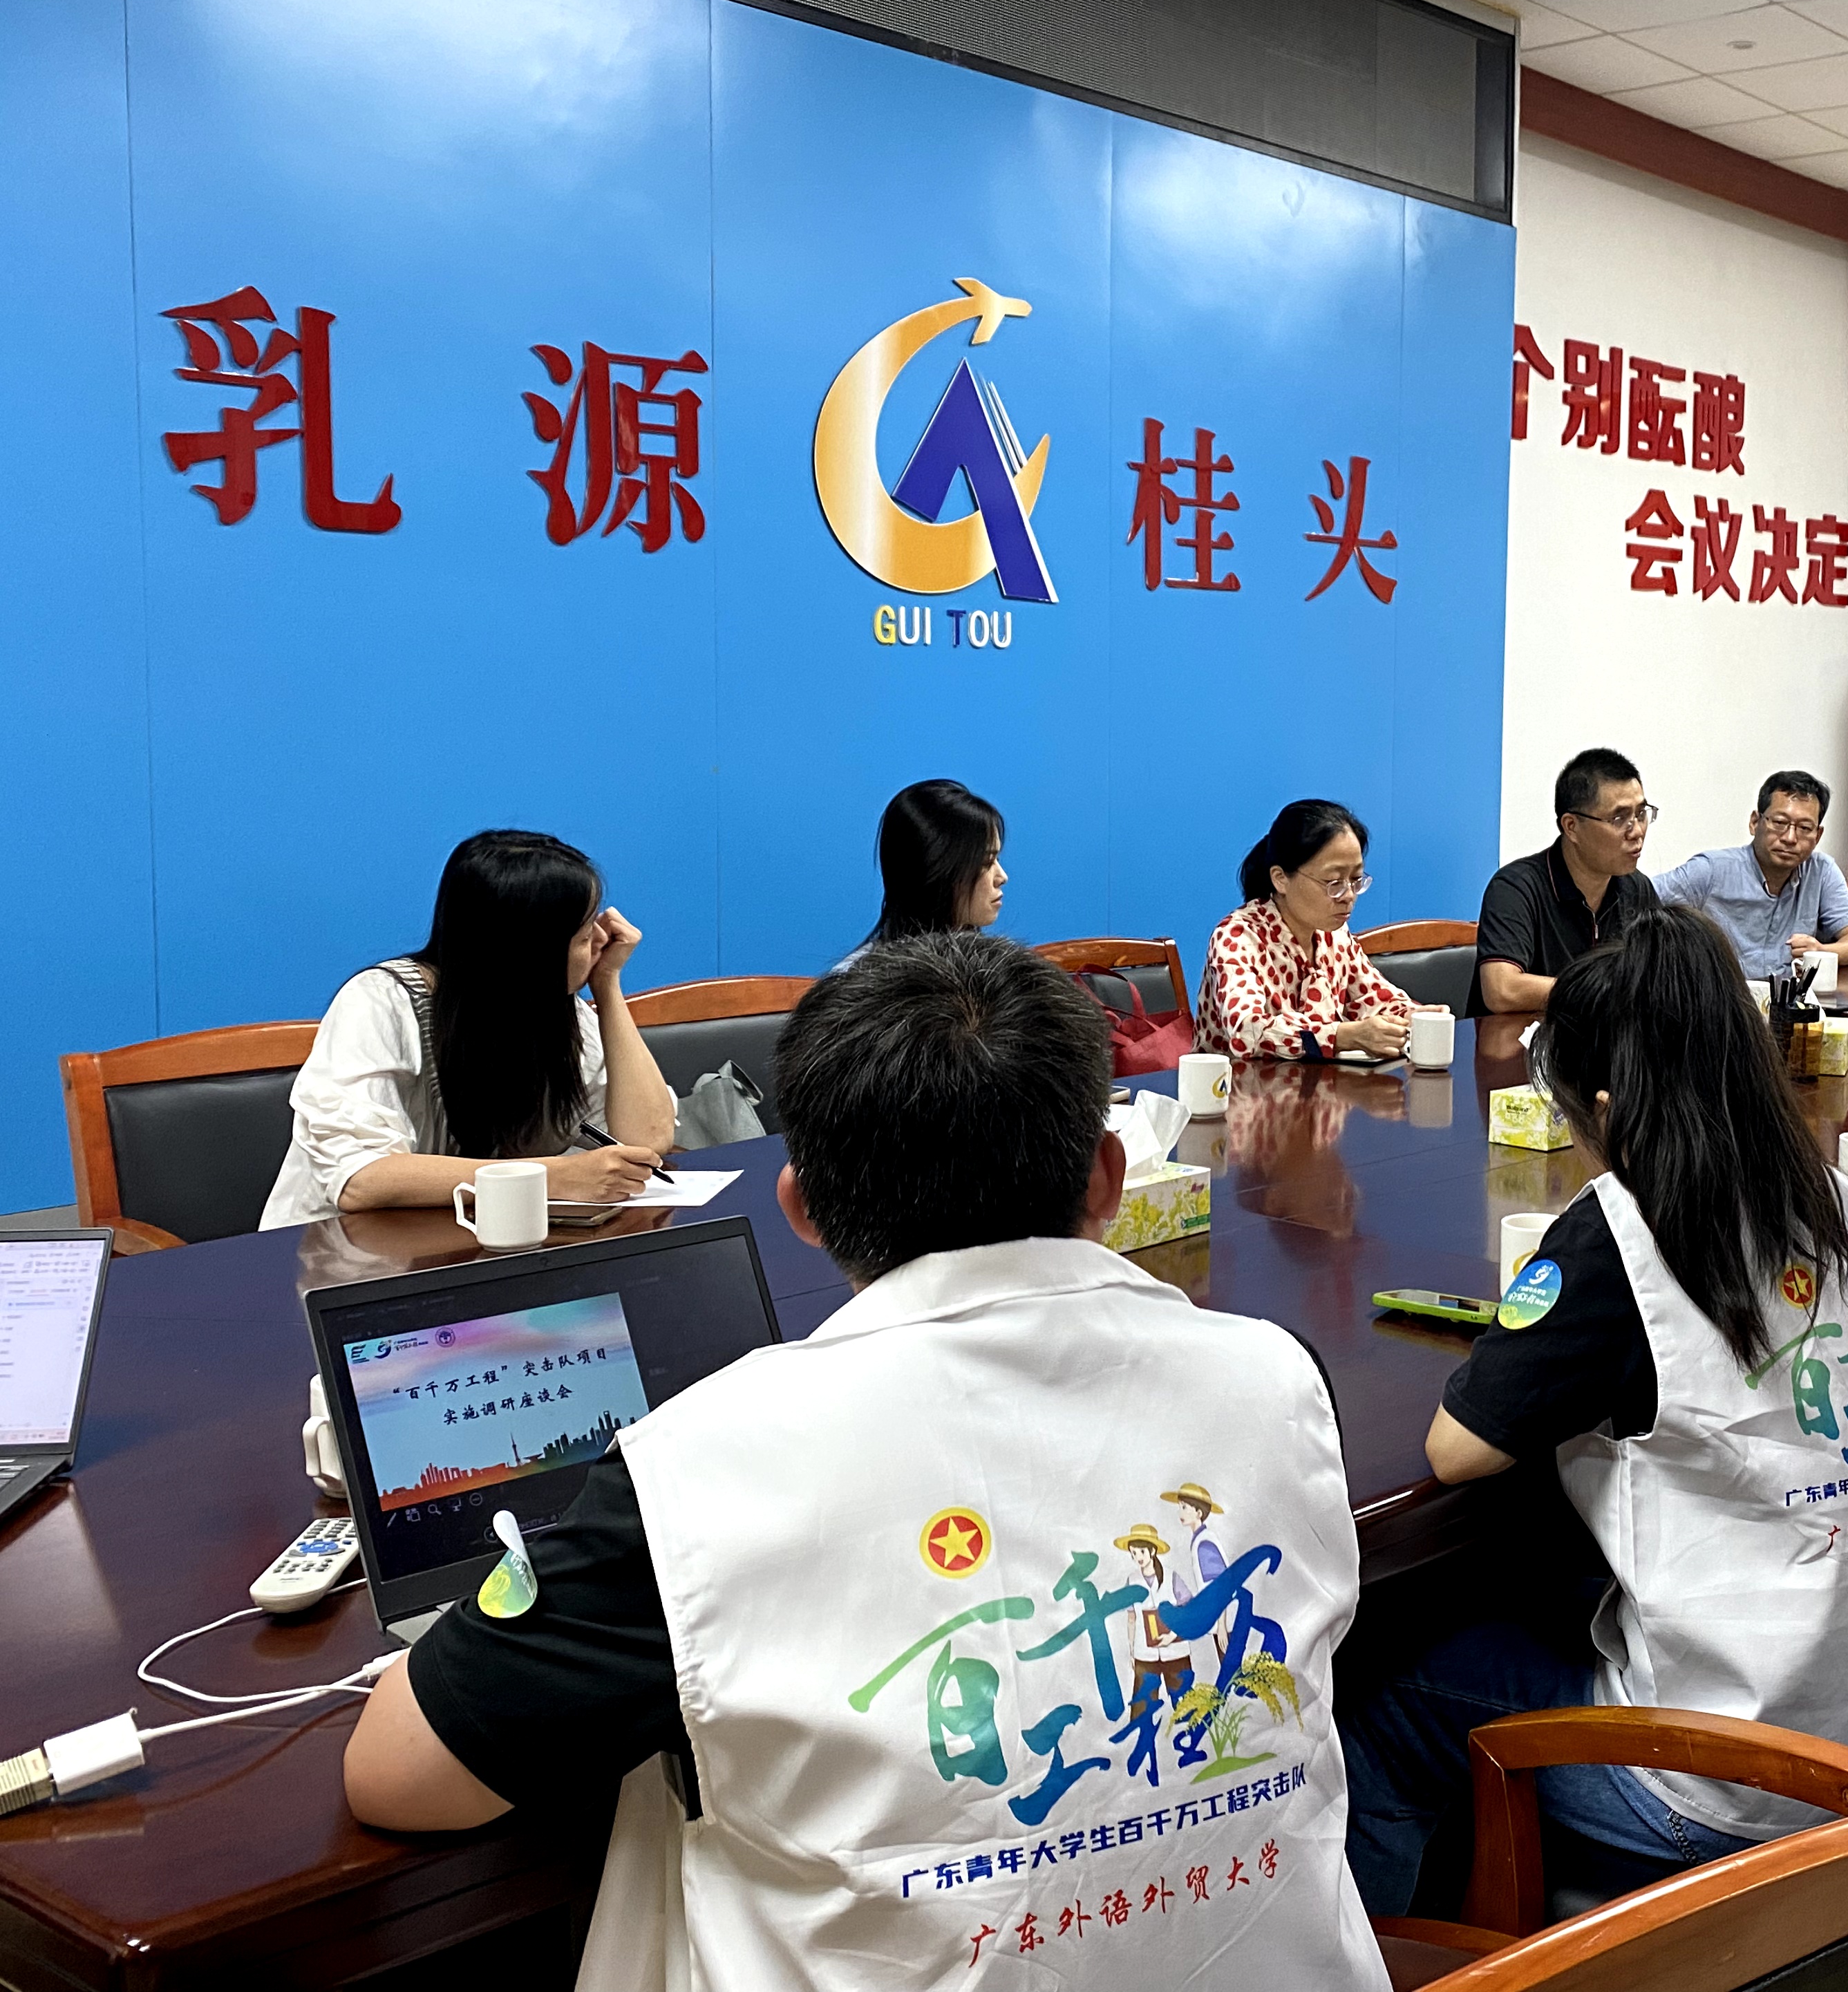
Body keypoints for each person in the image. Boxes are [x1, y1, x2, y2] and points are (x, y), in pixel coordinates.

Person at [341, 934, 1386, 1992]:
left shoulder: (706, 1467)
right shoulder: (1276, 1380)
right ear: (1110, 1178)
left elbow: (400, 1774)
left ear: (802, 1207)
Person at [1344, 908, 1848, 1911]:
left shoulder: (1626, 1231)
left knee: (1381, 1696)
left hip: (1729, 1777)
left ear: (1605, 1105)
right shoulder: (1833, 1198)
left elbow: (1458, 1451)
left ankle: (1422, 1959)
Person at [262, 830, 675, 1228]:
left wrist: (608, 986)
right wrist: (554, 1176)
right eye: (585, 937)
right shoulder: (380, 1001)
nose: (602, 942)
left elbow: (646, 1142)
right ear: (526, 948)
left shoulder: (555, 1010)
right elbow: (361, 1180)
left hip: (466, 1246)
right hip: (338, 1253)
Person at [1198, 799, 1413, 1060]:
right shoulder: (1237, 937)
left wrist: (1415, 1016)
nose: (1349, 896)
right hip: (1238, 1084)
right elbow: (1248, 1030)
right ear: (1280, 879)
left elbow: (1376, 999)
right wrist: (1342, 1036)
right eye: (1334, 882)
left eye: (1356, 879)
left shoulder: (1335, 934)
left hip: (1321, 1083)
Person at [1473, 747, 1662, 1014]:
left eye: (1641, 814)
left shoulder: (1637, 888)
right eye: (1620, 818)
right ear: (1571, 826)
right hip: (1522, 1038)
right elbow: (1502, 990)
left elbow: (1661, 975)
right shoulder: (1516, 888)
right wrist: (1607, 992)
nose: (1637, 831)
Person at [1653, 769, 1848, 979]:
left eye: (1805, 828)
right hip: (1723, 999)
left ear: (1817, 836)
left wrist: (1821, 952)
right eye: (1779, 823)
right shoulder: (1710, 870)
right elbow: (1640, 897)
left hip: (1789, 1001)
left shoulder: (1821, 871)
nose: (1790, 838)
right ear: (1755, 823)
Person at [851, 778, 1006, 959]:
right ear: (937, 870)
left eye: (997, 859)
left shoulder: (1000, 968)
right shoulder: (861, 976)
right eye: (986, 862)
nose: (1002, 877)